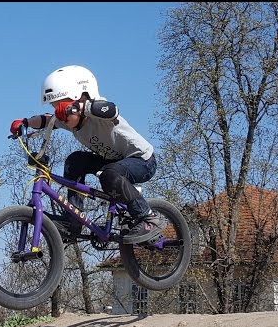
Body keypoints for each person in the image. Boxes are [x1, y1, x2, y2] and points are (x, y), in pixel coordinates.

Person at [9, 64, 165, 245]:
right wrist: (25, 122)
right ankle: (73, 221)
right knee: (75, 161)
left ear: (79, 98)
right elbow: (45, 119)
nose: (59, 114)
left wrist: (80, 108)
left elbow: (111, 109)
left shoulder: (98, 113)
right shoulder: (68, 121)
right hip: (111, 161)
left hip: (142, 160)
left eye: (62, 107)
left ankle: (149, 218)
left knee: (110, 174)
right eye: (56, 108)